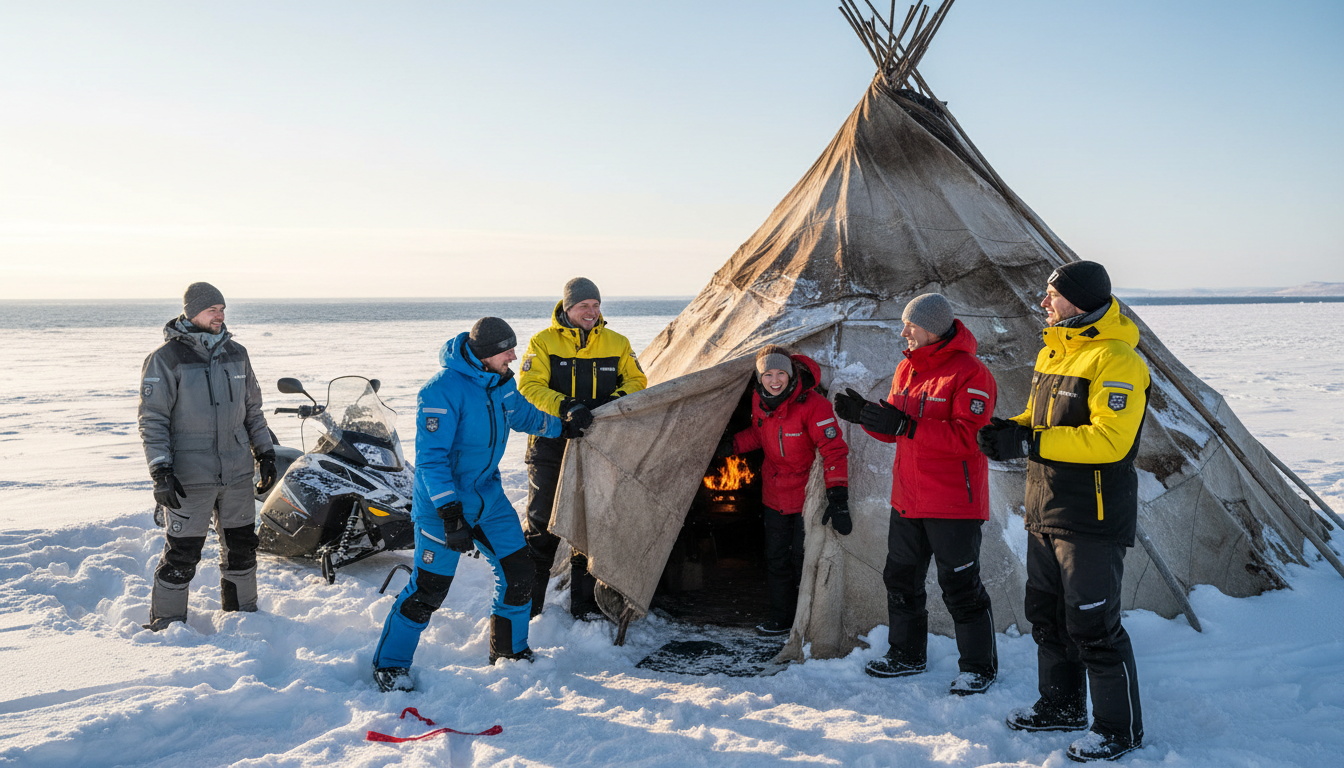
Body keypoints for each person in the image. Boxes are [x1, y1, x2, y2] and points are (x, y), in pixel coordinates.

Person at [977, 261, 1149, 762]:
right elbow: (1045, 417)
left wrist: (1029, 442)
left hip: (1092, 516)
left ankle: (1119, 729)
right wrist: (1013, 427)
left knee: (1094, 625)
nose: (1044, 302)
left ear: (1079, 299)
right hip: (1045, 506)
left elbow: (1109, 440)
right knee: (1048, 616)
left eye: (1052, 294)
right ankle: (1061, 705)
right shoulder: (1057, 349)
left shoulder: (1117, 359)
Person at [370, 318, 590, 691]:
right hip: (442, 506)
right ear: (486, 353)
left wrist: (563, 426)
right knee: (428, 590)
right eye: (507, 351)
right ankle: (389, 665)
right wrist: (450, 514)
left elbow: (524, 415)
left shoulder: (500, 382)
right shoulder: (440, 391)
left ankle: (509, 652)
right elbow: (431, 461)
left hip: (488, 498)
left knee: (519, 572)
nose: (513, 357)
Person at [834, 294, 998, 694]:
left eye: (911, 325)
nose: (904, 331)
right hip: (908, 497)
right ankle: (906, 654)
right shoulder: (906, 368)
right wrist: (867, 417)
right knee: (900, 578)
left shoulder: (971, 373)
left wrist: (906, 425)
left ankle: (978, 667)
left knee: (960, 585)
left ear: (934, 327)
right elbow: (897, 429)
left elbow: (970, 437)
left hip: (953, 502)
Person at [137, 282, 277, 631]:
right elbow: (153, 420)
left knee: (242, 547)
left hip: (237, 473)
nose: (220, 316)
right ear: (192, 313)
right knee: (182, 553)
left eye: (222, 309)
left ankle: (243, 618)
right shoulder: (166, 359)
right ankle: (167, 625)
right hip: (189, 477)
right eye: (212, 309)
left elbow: (253, 411)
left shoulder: (237, 353)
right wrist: (160, 471)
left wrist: (265, 453)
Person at [519, 278, 647, 620]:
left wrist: (612, 403)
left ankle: (586, 608)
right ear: (567, 308)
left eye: (595, 305)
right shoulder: (543, 342)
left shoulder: (617, 342)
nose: (591, 312)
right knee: (542, 524)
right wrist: (567, 407)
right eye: (583, 306)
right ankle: (527, 607)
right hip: (550, 444)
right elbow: (529, 387)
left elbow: (637, 381)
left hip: (597, 445)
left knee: (590, 525)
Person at [719, 345, 850, 637]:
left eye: (781, 373)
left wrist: (838, 496)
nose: (774, 380)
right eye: (768, 374)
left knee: (802, 560)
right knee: (776, 558)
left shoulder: (814, 405)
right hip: (774, 493)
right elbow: (760, 433)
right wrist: (732, 445)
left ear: (791, 374)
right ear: (759, 378)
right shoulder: (759, 399)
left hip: (806, 496)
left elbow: (834, 450)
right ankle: (781, 618)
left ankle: (807, 621)